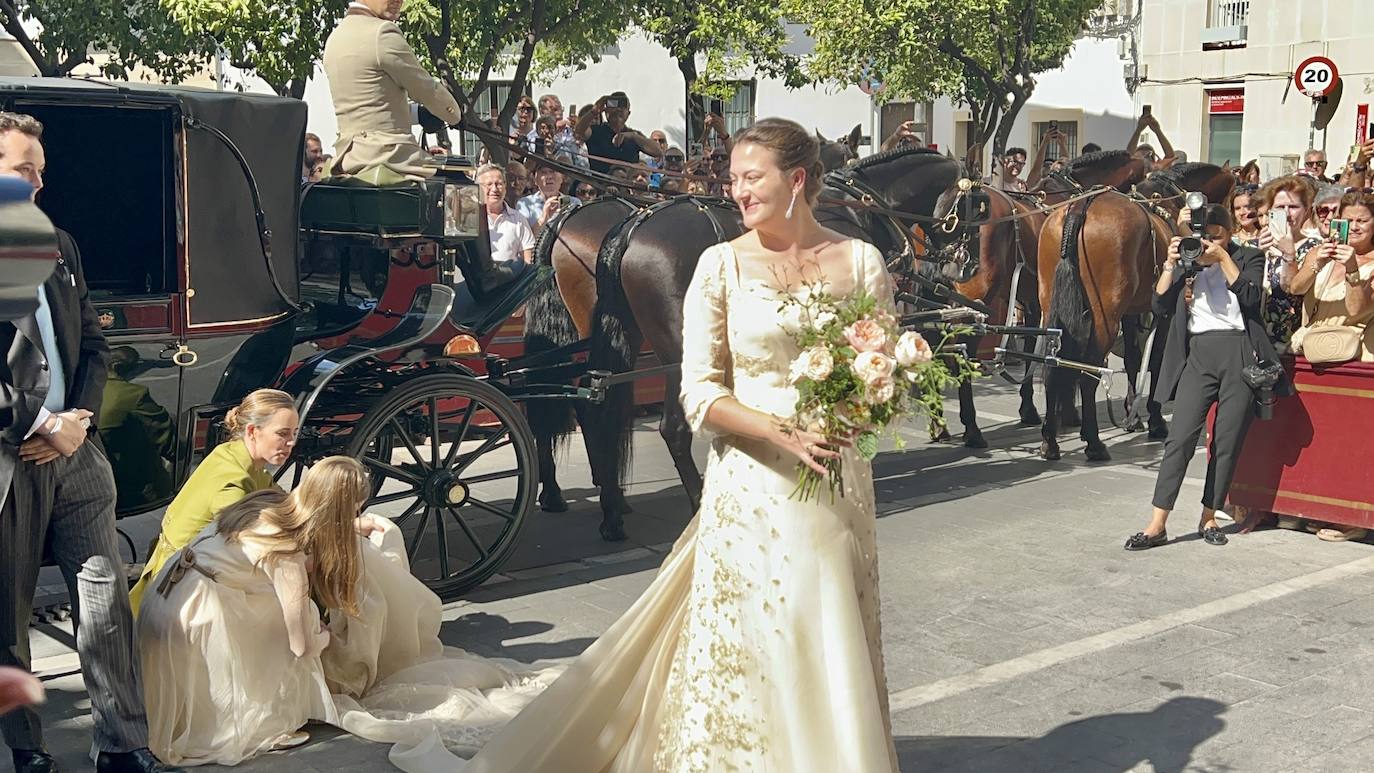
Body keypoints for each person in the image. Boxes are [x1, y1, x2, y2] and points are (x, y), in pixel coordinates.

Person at [461, 117, 898, 772]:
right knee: (752, 640)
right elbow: (698, 395)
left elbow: (880, 368)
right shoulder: (719, 266)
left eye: (752, 177)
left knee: (829, 627)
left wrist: (856, 413)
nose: (738, 190)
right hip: (751, 482)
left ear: (797, 180)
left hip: (834, 478)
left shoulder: (861, 261)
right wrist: (783, 429)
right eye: (733, 178)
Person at [137, 457, 559, 768]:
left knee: (278, 607)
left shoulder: (266, 503)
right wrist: (323, 634)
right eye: (353, 511)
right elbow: (301, 646)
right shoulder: (288, 556)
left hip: (167, 598)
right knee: (294, 625)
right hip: (198, 621)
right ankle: (261, 723)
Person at [0, 111, 182, 773]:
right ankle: (30, 753)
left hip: (79, 455)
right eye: (24, 171)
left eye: (40, 173)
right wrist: (37, 423)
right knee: (7, 618)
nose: (38, 184)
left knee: (105, 603)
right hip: (11, 457)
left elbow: (96, 345)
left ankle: (124, 745)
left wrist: (77, 416)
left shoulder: (59, 243)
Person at [1125, 205, 1284, 551]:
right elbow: (1159, 306)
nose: (1208, 243)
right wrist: (1171, 265)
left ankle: (1208, 515)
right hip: (1198, 353)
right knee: (1179, 438)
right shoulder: (1188, 258)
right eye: (1204, 237)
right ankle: (1157, 522)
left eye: (1217, 235)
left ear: (1228, 233)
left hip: (1239, 350)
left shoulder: (1249, 256)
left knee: (1225, 442)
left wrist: (1224, 258)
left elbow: (1252, 298)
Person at [128, 389, 297, 615]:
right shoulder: (233, 480)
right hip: (180, 592)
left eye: (294, 433)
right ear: (253, 431)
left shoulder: (232, 453)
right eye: (282, 433)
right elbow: (251, 546)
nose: (291, 442)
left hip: (182, 574)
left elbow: (282, 502)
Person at [322, 0, 461, 179]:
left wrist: (418, 114)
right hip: (388, 155)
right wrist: (454, 115)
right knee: (460, 179)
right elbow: (426, 88)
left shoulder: (335, 38)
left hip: (349, 156)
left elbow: (372, 105)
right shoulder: (381, 32)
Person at [1257, 176, 1321, 350]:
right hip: (1263, 338)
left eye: (1293, 207)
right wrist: (1259, 255)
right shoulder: (1259, 245)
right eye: (1280, 207)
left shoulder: (1315, 247)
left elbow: (1291, 287)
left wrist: (1288, 252)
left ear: (1306, 211)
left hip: (1297, 339)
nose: (1286, 213)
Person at [575, 92, 663, 174]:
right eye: (614, 104)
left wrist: (632, 136)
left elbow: (658, 152)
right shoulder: (596, 131)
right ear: (606, 111)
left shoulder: (634, 135)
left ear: (628, 114)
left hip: (627, 185)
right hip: (601, 184)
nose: (618, 109)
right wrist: (595, 110)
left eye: (623, 106)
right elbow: (579, 132)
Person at [477, 163, 536, 264]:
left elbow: (528, 259)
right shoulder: (469, 219)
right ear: (478, 187)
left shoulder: (518, 220)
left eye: (499, 184)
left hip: (510, 277)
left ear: (505, 187)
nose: (494, 189)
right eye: (489, 184)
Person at [517, 161, 580, 232]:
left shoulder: (574, 203)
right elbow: (525, 238)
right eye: (543, 172)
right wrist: (544, 217)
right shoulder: (524, 204)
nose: (549, 177)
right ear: (535, 179)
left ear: (562, 178)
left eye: (553, 171)